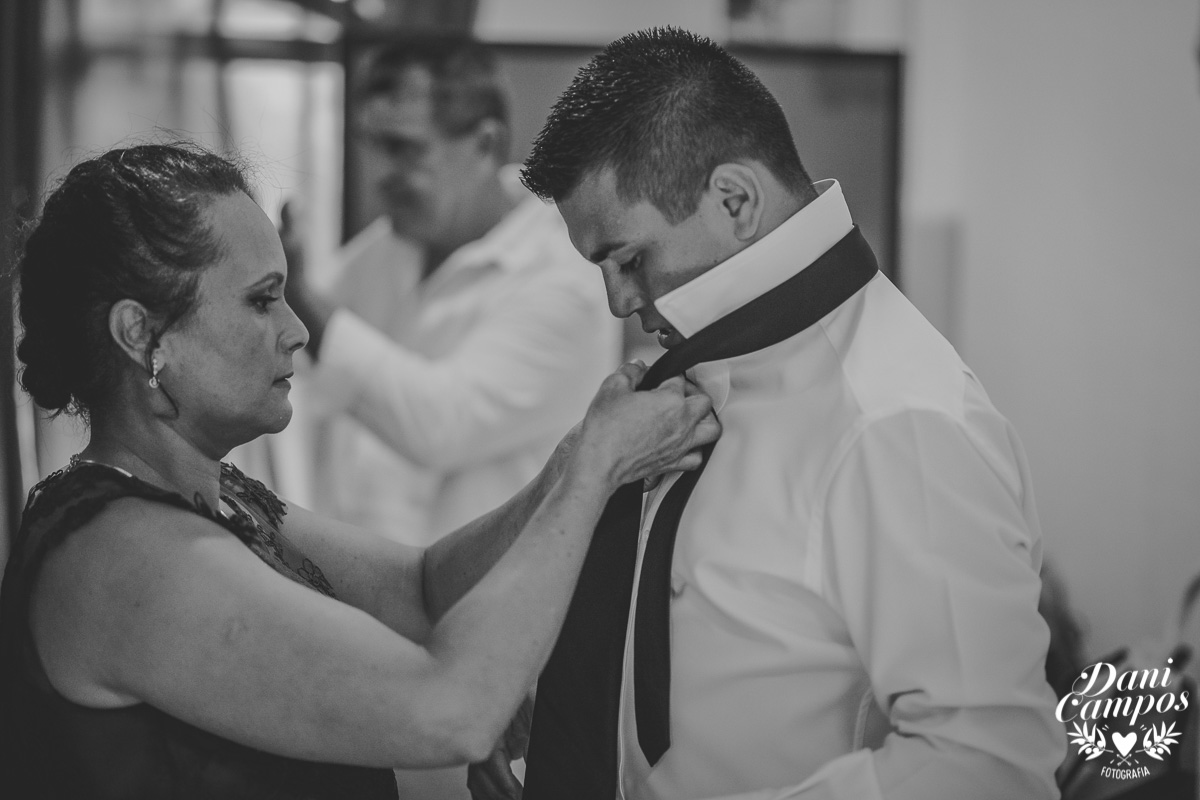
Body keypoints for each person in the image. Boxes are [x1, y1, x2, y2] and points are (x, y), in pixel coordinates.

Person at [0, 142, 719, 799]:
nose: (297, 329)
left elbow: (422, 589)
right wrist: (595, 474)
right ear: (141, 333)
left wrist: (573, 458)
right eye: (260, 299)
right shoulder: (124, 559)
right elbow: (451, 712)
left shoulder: (216, 498)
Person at [479, 27, 1067, 800]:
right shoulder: (698, 374)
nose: (619, 300)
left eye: (629, 260)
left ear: (736, 200)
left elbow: (990, 763)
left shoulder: (899, 421)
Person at [281, 37, 621, 549]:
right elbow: (295, 350)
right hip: (363, 586)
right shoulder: (390, 245)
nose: (380, 175)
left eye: (404, 149)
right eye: (372, 145)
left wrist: (302, 297)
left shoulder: (564, 279)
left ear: (485, 143)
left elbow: (442, 422)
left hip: (486, 604)